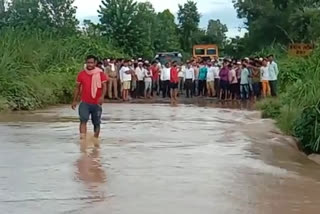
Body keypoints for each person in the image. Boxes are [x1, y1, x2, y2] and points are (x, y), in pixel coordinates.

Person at [72, 55, 108, 139]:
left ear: (95, 63)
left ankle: (96, 141)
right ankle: (83, 140)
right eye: (88, 62)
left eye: (91, 62)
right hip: (85, 102)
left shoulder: (100, 74)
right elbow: (77, 88)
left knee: (96, 123)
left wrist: (102, 97)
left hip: (96, 103)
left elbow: (104, 86)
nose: (90, 64)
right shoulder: (81, 74)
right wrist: (74, 100)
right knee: (83, 120)